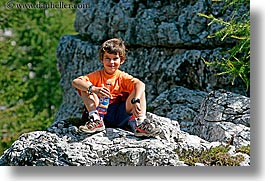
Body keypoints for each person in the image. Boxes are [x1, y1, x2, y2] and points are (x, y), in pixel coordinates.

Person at [72, 38, 160, 137]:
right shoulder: (96, 76)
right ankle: (95, 119)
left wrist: (136, 100)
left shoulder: (122, 77)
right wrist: (94, 89)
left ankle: (141, 123)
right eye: (107, 58)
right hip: (101, 112)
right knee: (86, 87)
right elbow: (76, 82)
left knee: (139, 90)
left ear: (121, 60)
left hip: (120, 114)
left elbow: (141, 84)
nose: (111, 62)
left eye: (115, 59)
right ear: (102, 59)